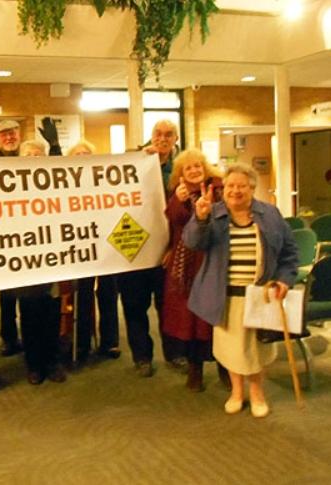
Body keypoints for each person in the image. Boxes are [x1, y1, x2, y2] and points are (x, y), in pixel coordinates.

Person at [184, 163, 298, 417]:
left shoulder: (270, 214)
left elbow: (289, 253)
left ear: (252, 188)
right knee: (233, 349)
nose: (235, 191)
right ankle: (236, 392)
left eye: (241, 186)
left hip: (260, 296)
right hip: (225, 296)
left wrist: (284, 280)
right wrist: (200, 218)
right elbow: (193, 242)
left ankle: (257, 394)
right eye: (230, 186)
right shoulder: (212, 213)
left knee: (258, 349)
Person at [118, 119, 182, 377]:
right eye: (158, 134)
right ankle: (142, 357)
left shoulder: (180, 169)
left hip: (167, 251)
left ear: (175, 139)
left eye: (168, 135)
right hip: (133, 248)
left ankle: (175, 354)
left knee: (169, 306)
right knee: (134, 306)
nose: (163, 139)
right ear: (151, 136)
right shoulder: (132, 162)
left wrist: (174, 247)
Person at [161, 149, 223, 391]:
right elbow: (173, 221)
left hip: (214, 258)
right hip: (186, 265)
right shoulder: (177, 192)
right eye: (189, 168)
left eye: (198, 166)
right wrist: (177, 200)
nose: (195, 170)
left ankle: (224, 367)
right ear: (181, 173)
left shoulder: (218, 188)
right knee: (191, 319)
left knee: (217, 317)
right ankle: (195, 369)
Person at [12, 140, 66, 385]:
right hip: (25, 263)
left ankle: (52, 362)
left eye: (38, 155)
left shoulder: (55, 186)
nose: (34, 158)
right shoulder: (10, 187)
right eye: (28, 155)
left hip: (52, 261)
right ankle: (34, 365)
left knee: (52, 314)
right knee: (30, 315)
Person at [66, 140, 121, 361]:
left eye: (86, 153)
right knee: (83, 294)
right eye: (77, 154)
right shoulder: (65, 184)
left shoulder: (104, 181)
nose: (82, 156)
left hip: (105, 244)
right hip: (79, 245)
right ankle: (82, 342)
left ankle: (110, 341)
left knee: (108, 292)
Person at [0, 120, 24, 356]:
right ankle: (9, 338)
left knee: (28, 296)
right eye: (3, 134)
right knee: (7, 297)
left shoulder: (28, 158)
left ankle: (28, 337)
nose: (8, 137)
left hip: (28, 236)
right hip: (3, 237)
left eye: (12, 133)